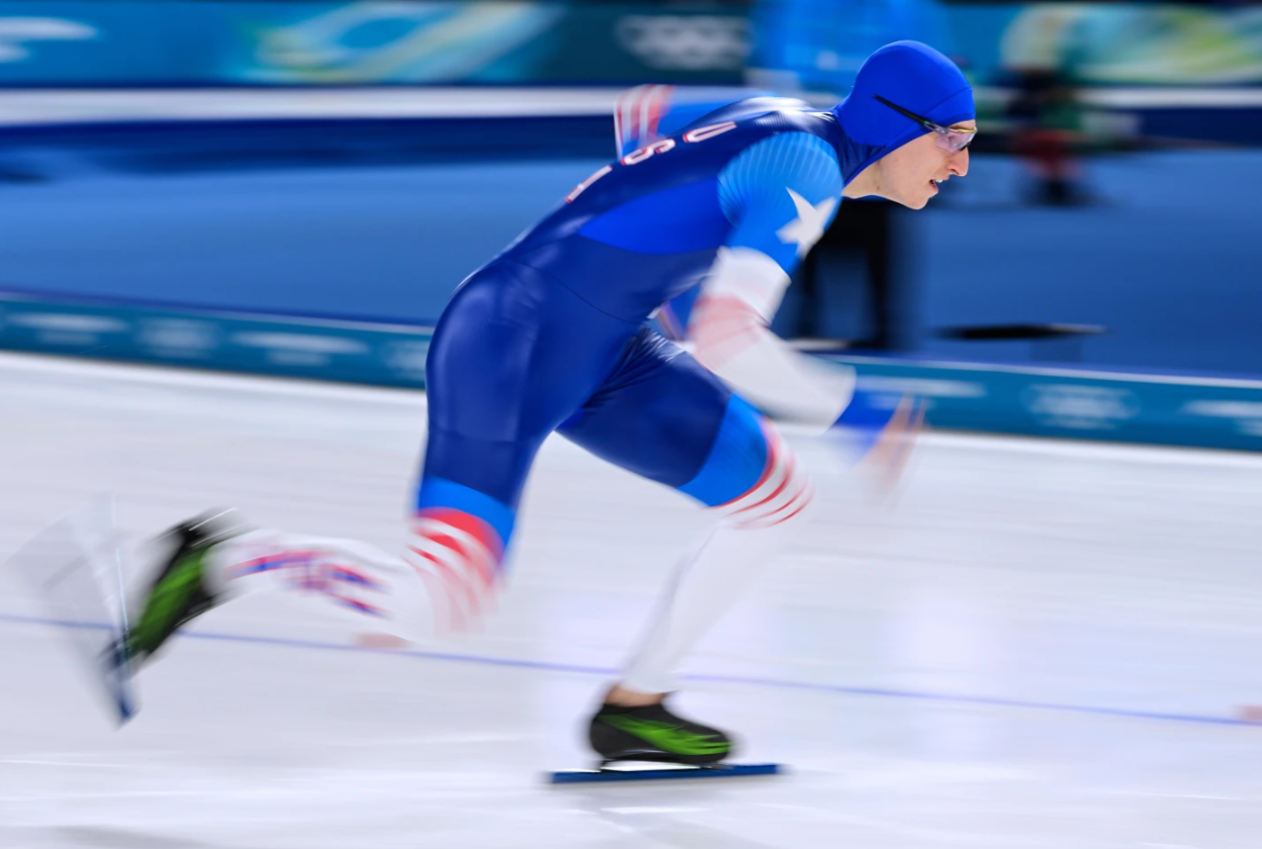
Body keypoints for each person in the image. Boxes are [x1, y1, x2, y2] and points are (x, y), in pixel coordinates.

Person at [119, 41, 974, 767]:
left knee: (774, 501)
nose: (962, 163)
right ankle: (223, 558)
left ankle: (634, 706)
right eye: (954, 138)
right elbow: (726, 335)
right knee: (437, 601)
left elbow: (659, 146)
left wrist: (648, 181)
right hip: (510, 343)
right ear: (898, 125)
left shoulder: (781, 117)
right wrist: (852, 413)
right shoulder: (806, 169)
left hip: (609, 350)